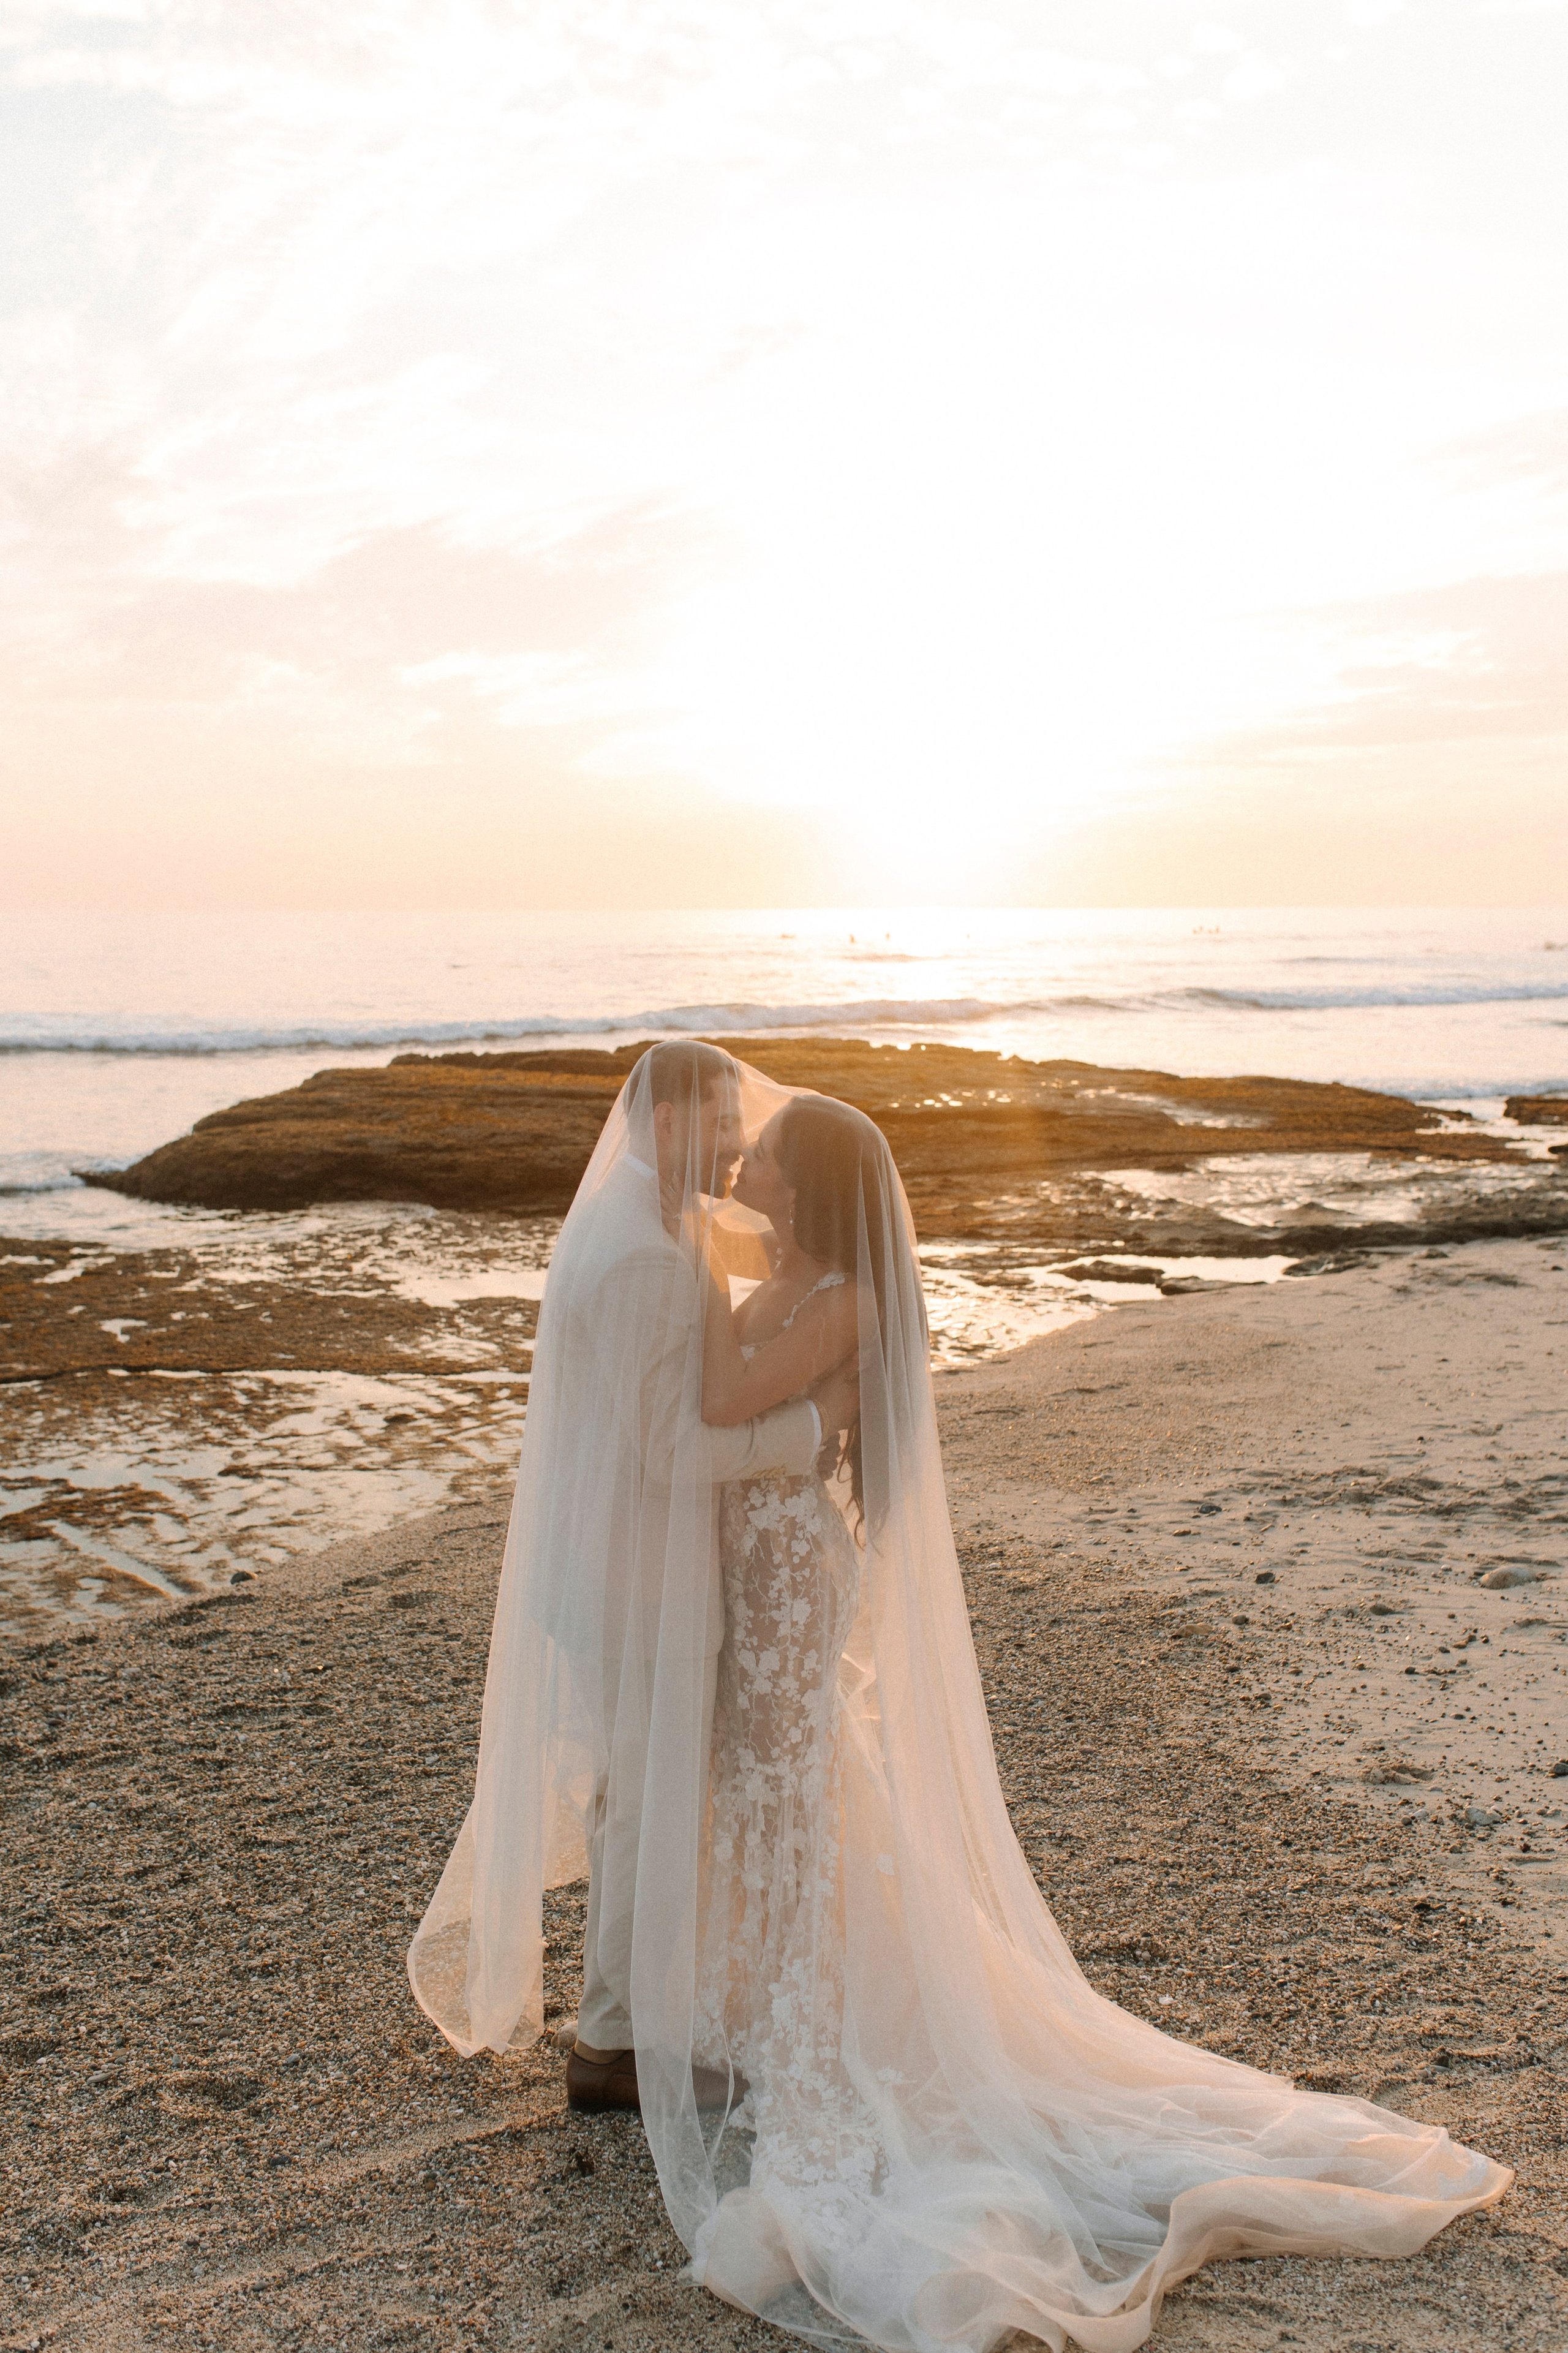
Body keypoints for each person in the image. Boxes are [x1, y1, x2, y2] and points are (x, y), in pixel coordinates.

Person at [413, 1051, 1509, 2353]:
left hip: (776, 1571)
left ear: (805, 1186)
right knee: (762, 1781)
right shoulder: (754, 1266)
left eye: (763, 1153)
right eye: (731, 1141)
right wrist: (722, 1279)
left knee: (787, 1776)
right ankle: (742, 2009)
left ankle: (786, 2020)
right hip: (738, 1561)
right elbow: (697, 1397)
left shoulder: (835, 1293)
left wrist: (794, 1399)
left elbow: (712, 1403)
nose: (742, 1156)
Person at [408, 1041, 853, 2113]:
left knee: (631, 1799)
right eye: (723, 1123)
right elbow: (671, 1453)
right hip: (637, 1581)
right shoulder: (648, 1259)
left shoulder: (645, 1221)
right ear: (667, 1125)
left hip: (608, 1566)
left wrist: (834, 1250)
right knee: (649, 1806)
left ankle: (621, 2018)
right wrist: (814, 1426)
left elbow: (767, 1236)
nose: (741, 1145)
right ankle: (613, 2044)